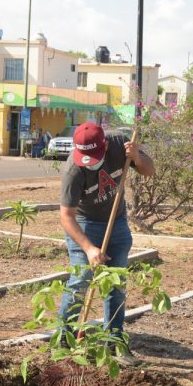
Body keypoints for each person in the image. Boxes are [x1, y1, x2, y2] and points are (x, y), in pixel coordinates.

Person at [58, 122, 155, 365]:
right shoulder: (73, 171)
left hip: (117, 223)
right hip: (84, 224)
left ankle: (114, 342)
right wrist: (89, 248)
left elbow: (149, 171)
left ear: (103, 144)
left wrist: (137, 158)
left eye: (94, 155)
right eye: (85, 156)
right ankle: (64, 340)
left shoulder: (119, 144)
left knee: (117, 281)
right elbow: (66, 216)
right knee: (80, 281)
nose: (89, 161)